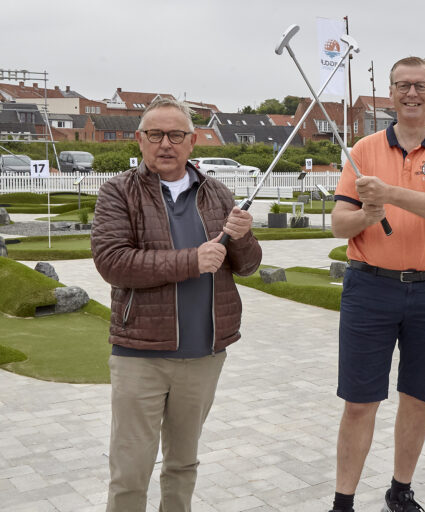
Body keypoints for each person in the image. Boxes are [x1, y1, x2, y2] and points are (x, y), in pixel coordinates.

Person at [91, 96, 262, 512]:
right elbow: (112, 262)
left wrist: (242, 237)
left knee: (183, 465)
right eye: (155, 134)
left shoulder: (218, 194)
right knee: (130, 471)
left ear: (192, 141)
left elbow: (249, 267)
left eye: (176, 135)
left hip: (204, 355)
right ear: (139, 139)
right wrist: (191, 260)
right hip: (140, 356)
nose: (165, 143)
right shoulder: (118, 192)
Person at [328, 57, 425, 512]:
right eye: (403, 85)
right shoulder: (364, 149)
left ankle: (400, 490)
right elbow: (338, 225)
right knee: (359, 401)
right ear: (389, 93)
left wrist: (388, 194)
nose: (412, 93)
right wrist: (364, 216)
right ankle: (342, 502)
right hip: (370, 288)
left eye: (421, 85)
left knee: (418, 397)